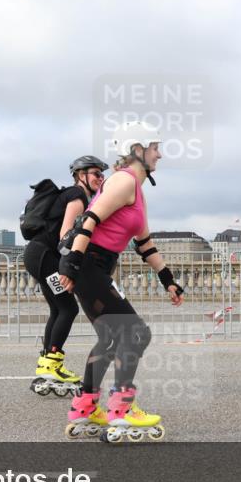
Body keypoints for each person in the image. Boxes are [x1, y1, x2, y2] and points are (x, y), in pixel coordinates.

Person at [58, 122, 184, 442]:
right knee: (136, 332)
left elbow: (145, 244)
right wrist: (73, 265)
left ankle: (85, 407)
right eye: (155, 147)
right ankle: (122, 409)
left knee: (110, 337)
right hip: (88, 264)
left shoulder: (136, 191)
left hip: (95, 267)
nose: (160, 153)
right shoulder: (123, 181)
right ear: (137, 149)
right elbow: (90, 218)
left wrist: (168, 279)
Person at [23, 155, 108, 393]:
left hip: (38, 256)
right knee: (68, 308)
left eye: (102, 175)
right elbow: (65, 235)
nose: (101, 179)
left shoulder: (76, 195)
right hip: (44, 256)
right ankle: (52, 362)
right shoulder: (77, 196)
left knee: (59, 308)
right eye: (96, 174)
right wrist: (70, 269)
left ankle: (47, 363)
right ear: (81, 175)